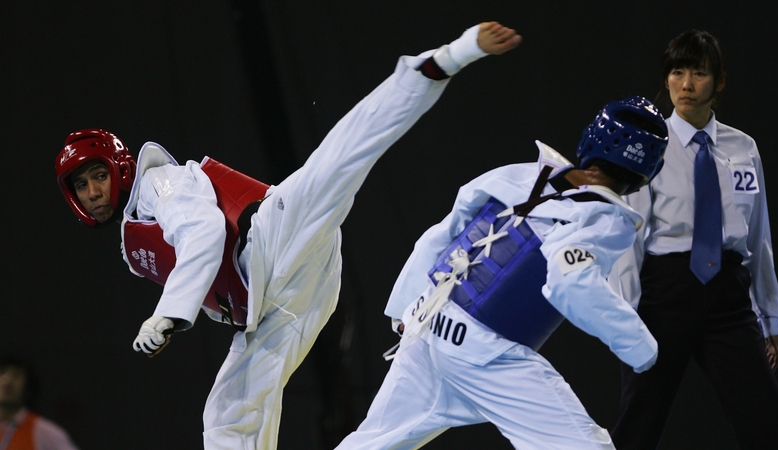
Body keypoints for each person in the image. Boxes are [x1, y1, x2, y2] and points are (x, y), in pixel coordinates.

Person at [54, 22, 521, 450]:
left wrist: (167, 317)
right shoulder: (133, 247)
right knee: (227, 419)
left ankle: (445, 59)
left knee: (339, 158)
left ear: (119, 168)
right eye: (82, 185)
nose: (94, 191)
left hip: (271, 236)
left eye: (97, 176)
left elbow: (204, 231)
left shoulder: (159, 185)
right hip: (279, 301)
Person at [335, 95, 669, 449]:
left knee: (372, 443)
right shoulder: (605, 219)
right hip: (485, 354)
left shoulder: (522, 173)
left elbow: (441, 234)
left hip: (427, 325)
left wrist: (404, 307)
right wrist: (640, 347)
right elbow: (570, 281)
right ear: (648, 173)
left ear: (591, 138)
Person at [608, 30, 778, 449]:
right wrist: (625, 317)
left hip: (729, 297)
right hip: (664, 296)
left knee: (770, 429)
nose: (687, 85)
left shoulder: (743, 148)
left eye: (699, 73)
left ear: (720, 82)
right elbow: (627, 238)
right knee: (637, 429)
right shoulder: (647, 144)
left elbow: (759, 237)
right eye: (677, 72)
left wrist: (771, 314)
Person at [0, 357, 79, 450]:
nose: (7, 381)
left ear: (28, 390)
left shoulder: (43, 432)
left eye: (16, 376)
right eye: (2, 373)